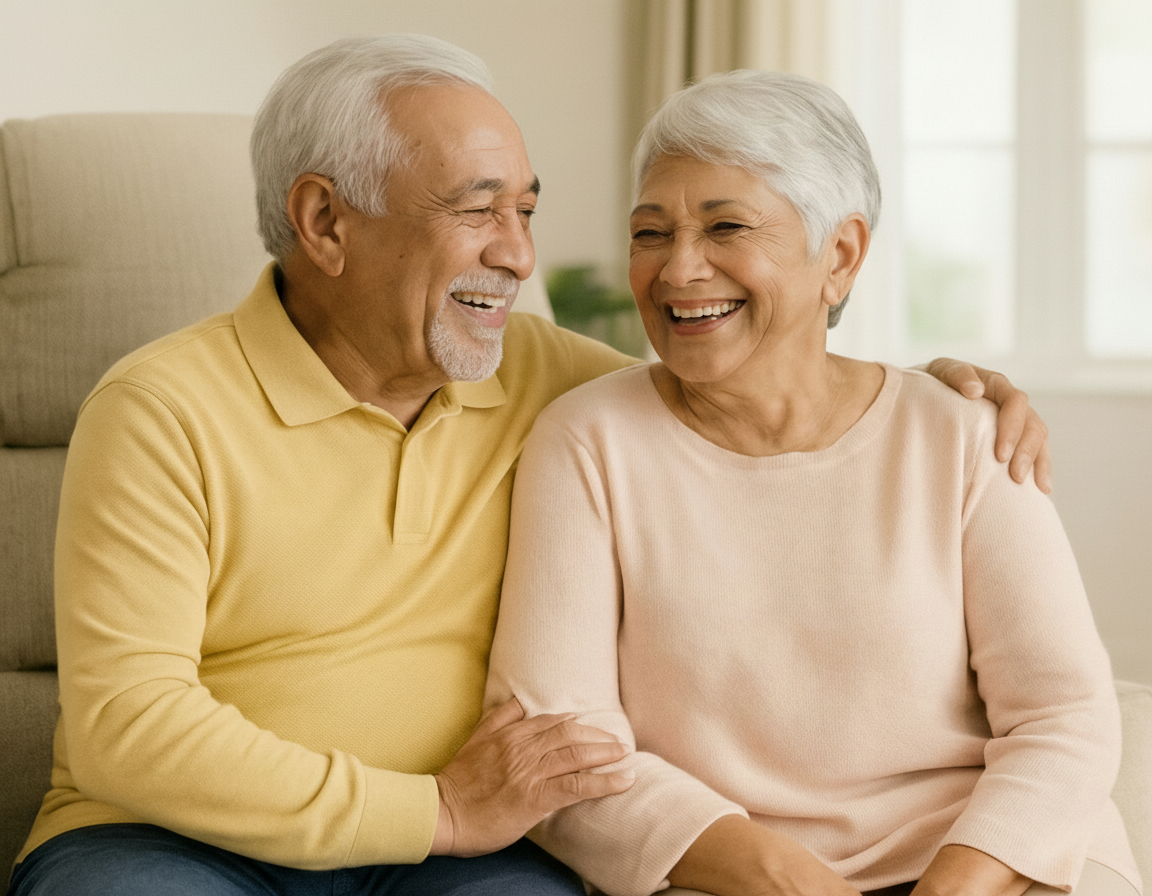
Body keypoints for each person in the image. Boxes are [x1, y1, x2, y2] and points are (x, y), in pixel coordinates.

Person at [9, 36, 1049, 896]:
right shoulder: (161, 409)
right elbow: (127, 728)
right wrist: (434, 809)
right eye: (476, 210)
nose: (518, 255)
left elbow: (748, 384)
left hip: (460, 857)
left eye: (527, 211)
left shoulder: (552, 381)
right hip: (176, 843)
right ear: (325, 222)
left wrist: (930, 396)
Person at [485, 70, 1141, 896]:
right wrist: (788, 879)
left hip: (993, 857)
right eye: (650, 233)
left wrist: (952, 887)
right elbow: (557, 743)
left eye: (726, 226)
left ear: (841, 254)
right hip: (727, 872)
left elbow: (1064, 715)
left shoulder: (963, 435)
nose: (679, 268)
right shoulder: (587, 441)